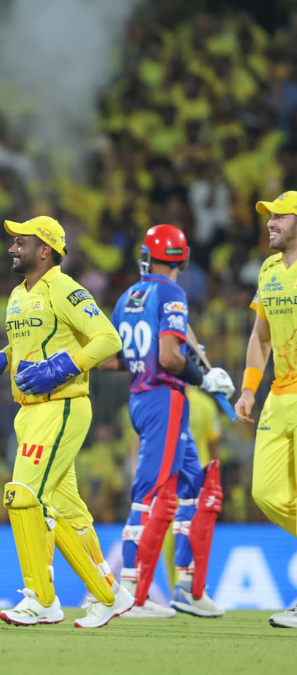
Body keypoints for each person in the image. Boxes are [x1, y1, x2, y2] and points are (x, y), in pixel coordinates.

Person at [0, 216, 134, 628]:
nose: (11, 248)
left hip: (61, 406)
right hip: (29, 411)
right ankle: (111, 591)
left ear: (45, 250)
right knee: (67, 510)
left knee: (21, 495)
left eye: (20, 242)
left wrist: (64, 366)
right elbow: (21, 349)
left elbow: (109, 339)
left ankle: (42, 598)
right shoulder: (18, 295)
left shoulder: (66, 289)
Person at [103, 224, 233, 619]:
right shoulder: (172, 292)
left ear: (149, 254)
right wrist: (205, 377)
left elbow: (111, 358)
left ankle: (188, 588)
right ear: (182, 258)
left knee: (195, 485)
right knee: (150, 493)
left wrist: (144, 359)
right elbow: (171, 358)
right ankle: (128, 593)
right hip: (164, 399)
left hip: (142, 398)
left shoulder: (128, 295)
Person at [234, 191, 297, 629]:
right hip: (278, 393)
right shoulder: (269, 269)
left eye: (280, 216)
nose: (270, 222)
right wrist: (249, 389)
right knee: (265, 493)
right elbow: (260, 335)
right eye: (268, 216)